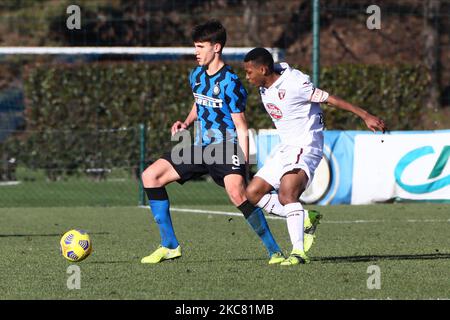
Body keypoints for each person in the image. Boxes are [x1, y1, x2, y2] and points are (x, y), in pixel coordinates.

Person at [140, 22, 285, 265]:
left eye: (200, 47)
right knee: (150, 176)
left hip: (225, 147)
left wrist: (245, 163)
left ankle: (275, 251)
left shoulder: (231, 82)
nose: (196, 52)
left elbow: (241, 124)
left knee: (238, 194)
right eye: (195, 46)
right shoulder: (196, 74)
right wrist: (186, 123)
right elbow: (199, 102)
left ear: (216, 48)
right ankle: (169, 246)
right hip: (199, 146)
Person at [243, 47, 386, 266]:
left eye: (249, 72)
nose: (247, 77)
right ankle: (305, 219)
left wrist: (365, 116)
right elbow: (279, 68)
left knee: (287, 192)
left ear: (263, 69)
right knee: (252, 193)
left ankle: (298, 253)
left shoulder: (295, 84)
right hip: (286, 147)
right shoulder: (267, 83)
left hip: (306, 145)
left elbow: (330, 99)